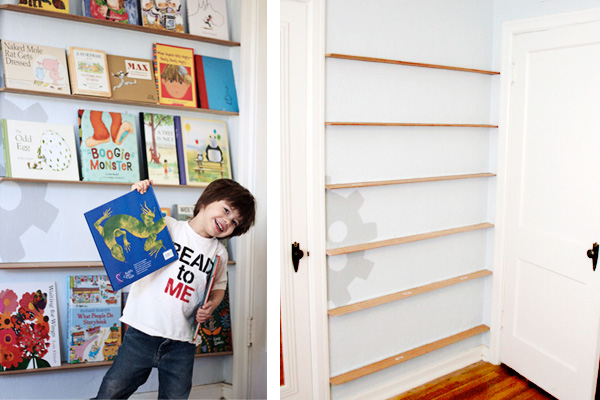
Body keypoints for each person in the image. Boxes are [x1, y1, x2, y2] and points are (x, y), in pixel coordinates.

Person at [94, 178, 256, 399]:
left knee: (176, 396)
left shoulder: (219, 253)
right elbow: (133, 221)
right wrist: (136, 194)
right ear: (206, 201)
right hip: (142, 331)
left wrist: (212, 305)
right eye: (226, 210)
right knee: (112, 391)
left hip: (181, 342)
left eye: (235, 222)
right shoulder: (168, 226)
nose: (228, 221)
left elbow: (218, 287)